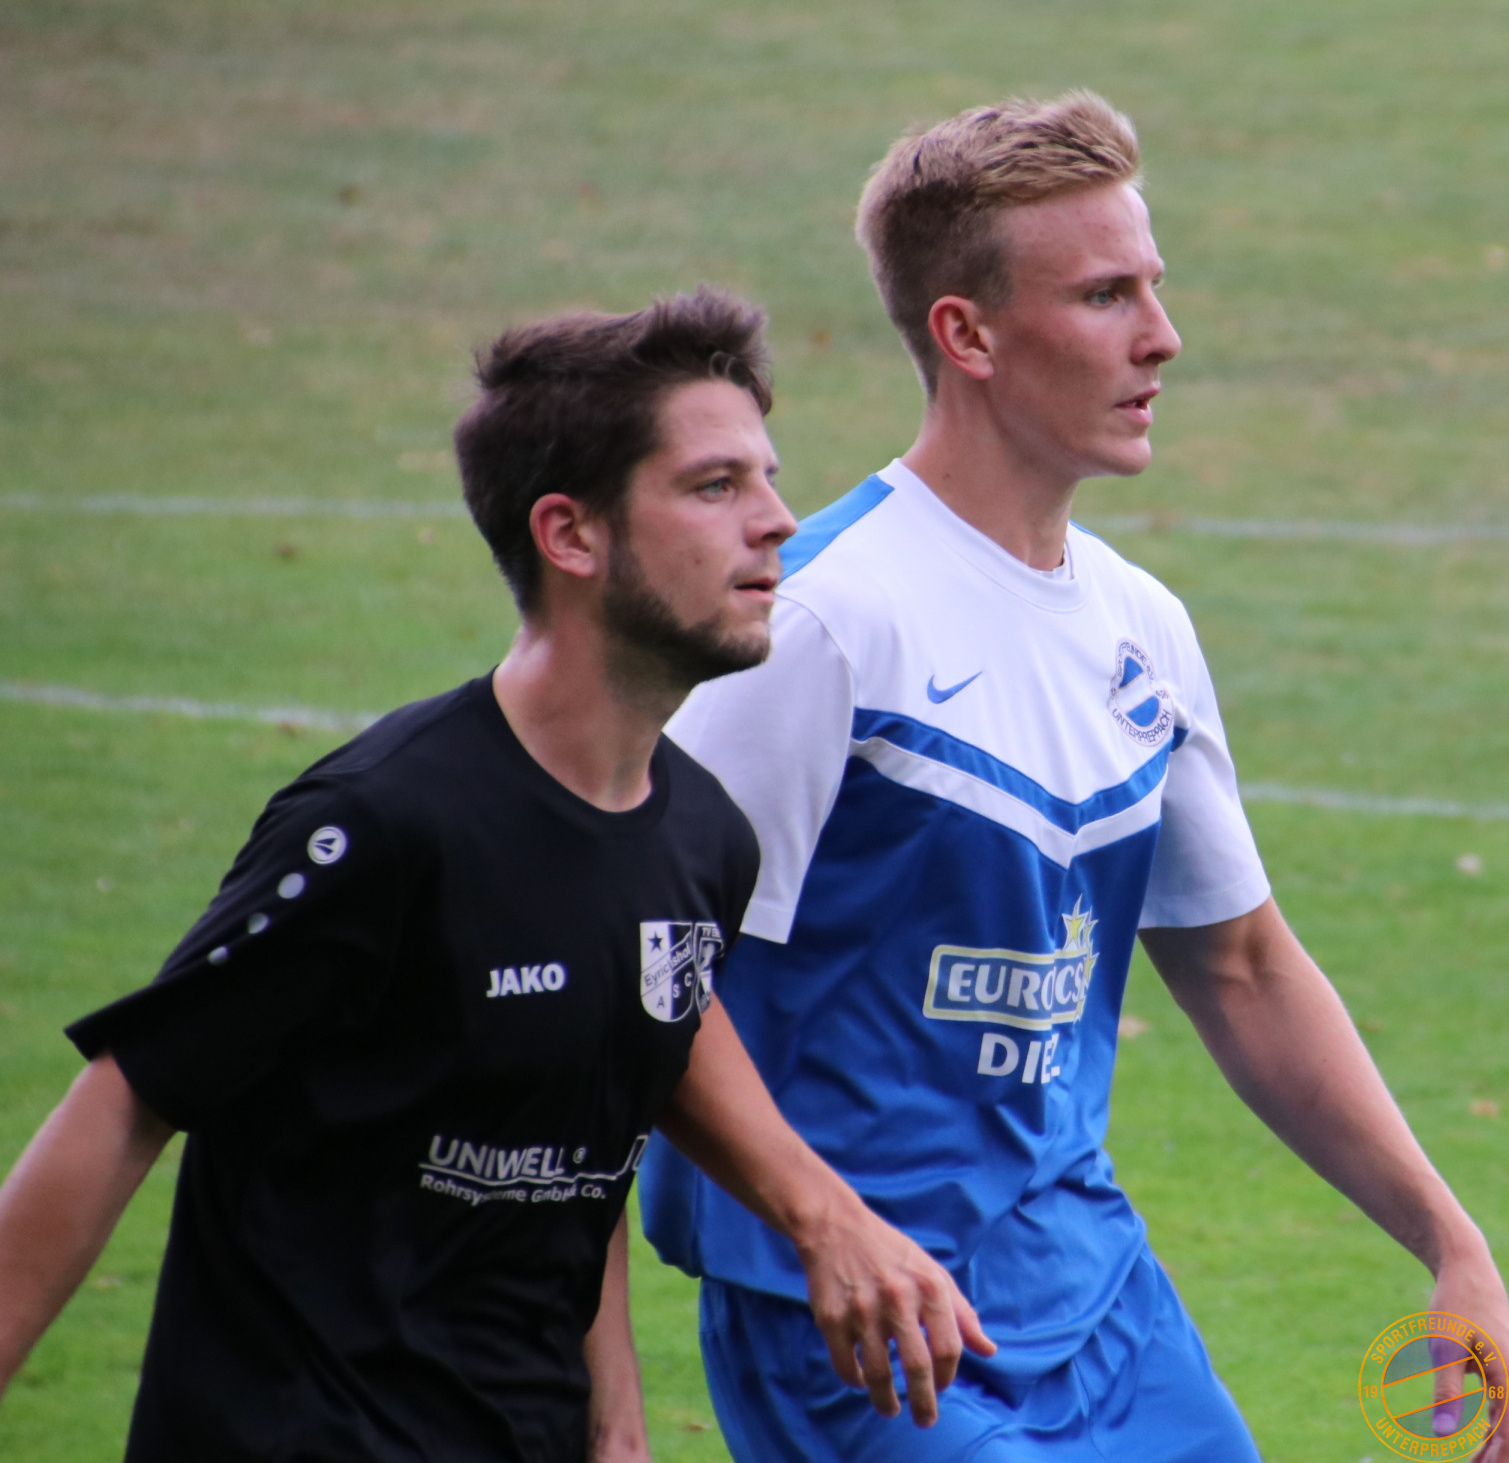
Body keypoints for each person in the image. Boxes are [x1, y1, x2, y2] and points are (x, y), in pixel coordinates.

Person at [636, 97, 1509, 1460]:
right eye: (1106, 296)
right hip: (861, 1327)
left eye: (1152, 287)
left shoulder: (1139, 625)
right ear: (968, 335)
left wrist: (1455, 1244)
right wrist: (822, 1221)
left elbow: (1241, 964)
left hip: (1091, 1292)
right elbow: (644, 967)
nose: (1162, 336)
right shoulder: (819, 623)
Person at [0, 288, 991, 1463]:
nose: (776, 520)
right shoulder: (384, 822)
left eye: (766, 479)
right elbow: (127, 1099)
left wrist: (617, 1422)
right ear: (570, 535)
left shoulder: (705, 840)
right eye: (714, 485)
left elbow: (588, 1131)